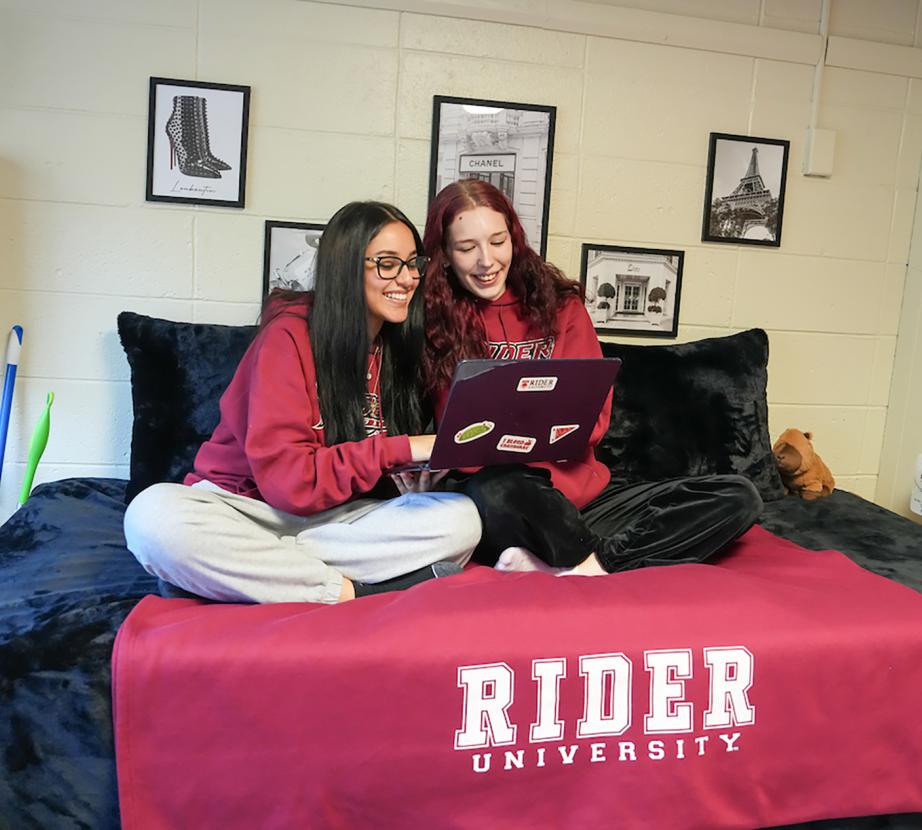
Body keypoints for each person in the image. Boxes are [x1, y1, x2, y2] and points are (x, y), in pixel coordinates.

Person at [124, 201, 481, 604]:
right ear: (345, 267)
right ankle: (349, 591)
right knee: (152, 518)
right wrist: (405, 447)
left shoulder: (396, 348)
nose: (407, 278)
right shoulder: (287, 337)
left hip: (332, 523)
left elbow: (359, 473)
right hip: (247, 510)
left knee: (461, 520)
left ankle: (243, 575)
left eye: (413, 262)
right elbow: (288, 486)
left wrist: (408, 486)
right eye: (386, 263)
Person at [422, 180, 761, 576]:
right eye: (466, 248)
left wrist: (517, 429)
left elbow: (593, 419)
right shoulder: (433, 321)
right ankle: (601, 560)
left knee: (739, 496)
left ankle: (590, 566)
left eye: (498, 242)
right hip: (508, 499)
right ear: (444, 254)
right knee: (499, 488)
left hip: (582, 496)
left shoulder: (561, 305)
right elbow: (459, 435)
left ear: (514, 238)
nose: (486, 260)